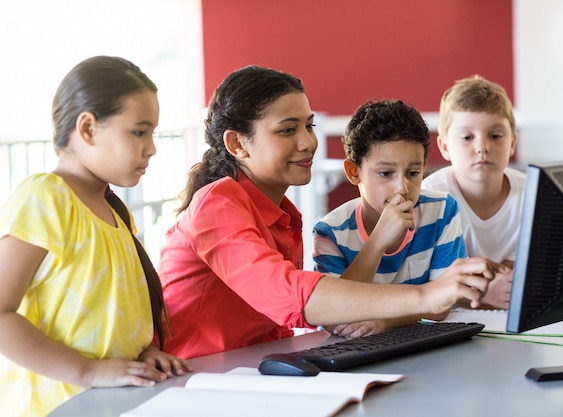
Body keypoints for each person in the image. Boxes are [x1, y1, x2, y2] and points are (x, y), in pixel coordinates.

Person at [158, 65, 509, 360]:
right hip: (198, 378)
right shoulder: (216, 204)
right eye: (287, 130)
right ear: (237, 144)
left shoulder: (282, 214)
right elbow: (288, 294)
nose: (308, 142)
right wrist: (427, 294)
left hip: (255, 368)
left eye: (308, 126)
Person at [0, 56, 192, 417]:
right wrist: (89, 371)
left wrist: (142, 356)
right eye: (139, 131)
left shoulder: (117, 213)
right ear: (87, 128)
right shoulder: (45, 198)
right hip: (56, 407)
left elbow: (109, 319)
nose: (151, 148)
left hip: (113, 404)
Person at [312, 99, 487, 338]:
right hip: (353, 350)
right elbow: (335, 314)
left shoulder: (441, 211)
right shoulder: (329, 233)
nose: (402, 187)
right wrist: (377, 242)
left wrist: (386, 321)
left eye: (413, 173)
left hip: (413, 342)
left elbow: (442, 304)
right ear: (354, 172)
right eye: (385, 173)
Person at [422, 75, 524, 309]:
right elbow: (425, 283)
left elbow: (516, 279)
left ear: (512, 143)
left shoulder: (533, 195)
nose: (482, 147)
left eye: (496, 136)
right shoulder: (430, 198)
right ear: (445, 146)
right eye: (467, 137)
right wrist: (483, 293)